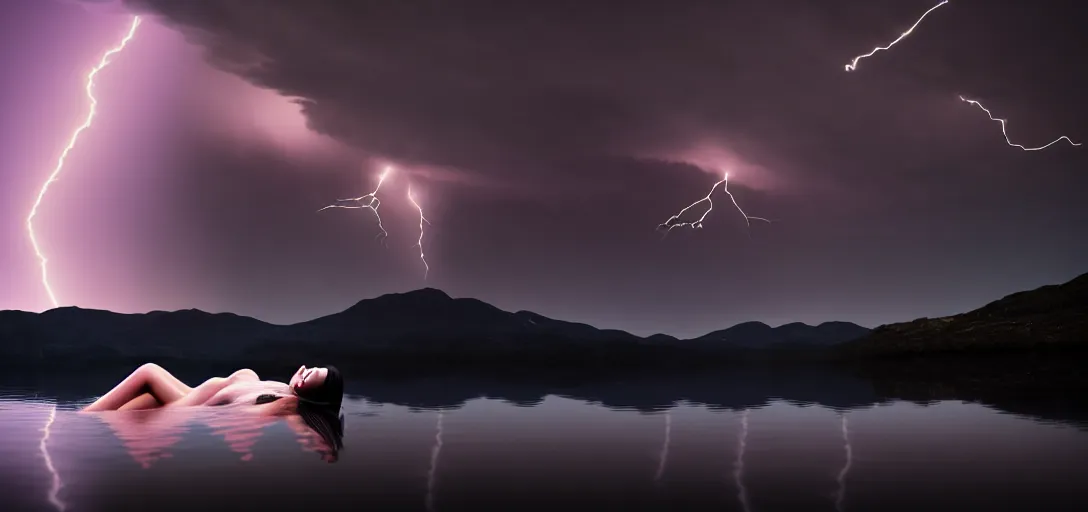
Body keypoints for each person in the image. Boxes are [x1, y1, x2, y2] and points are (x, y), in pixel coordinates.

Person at [83, 363, 345, 461]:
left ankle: (82, 419)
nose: (302, 368)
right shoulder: (283, 390)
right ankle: (90, 419)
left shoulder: (286, 403)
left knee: (148, 372)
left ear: (305, 389)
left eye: (308, 374)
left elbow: (298, 426)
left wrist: (325, 447)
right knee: (141, 400)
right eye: (310, 367)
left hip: (191, 409)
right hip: (190, 395)